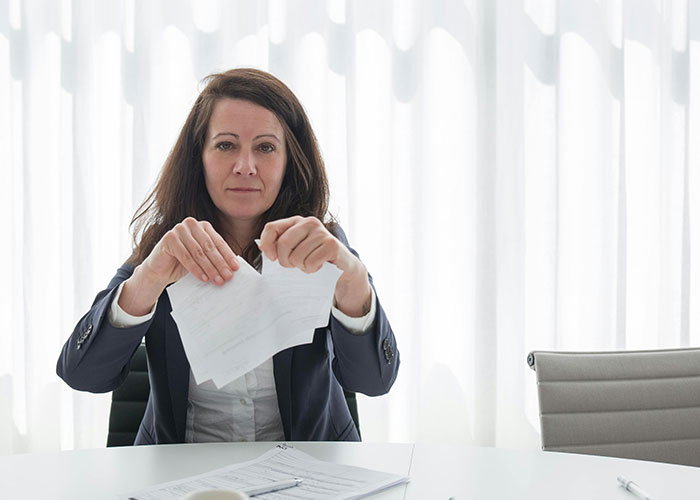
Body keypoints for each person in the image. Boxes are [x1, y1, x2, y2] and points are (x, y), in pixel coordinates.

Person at [56, 68, 399, 444]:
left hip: (304, 470)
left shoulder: (318, 245)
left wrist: (353, 281)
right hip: (181, 474)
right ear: (199, 157)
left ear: (289, 161)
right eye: (225, 145)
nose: (245, 166)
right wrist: (147, 281)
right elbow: (82, 374)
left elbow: (374, 381)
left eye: (266, 147)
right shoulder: (167, 245)